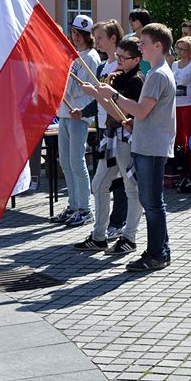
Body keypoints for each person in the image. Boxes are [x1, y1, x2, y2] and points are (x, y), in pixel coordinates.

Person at [95, 23, 176, 272]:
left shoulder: (157, 74)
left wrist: (114, 96)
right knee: (151, 201)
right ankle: (160, 249)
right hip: (149, 142)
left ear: (158, 46)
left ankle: (156, 254)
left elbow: (142, 110)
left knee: (151, 202)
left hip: (152, 147)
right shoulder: (157, 72)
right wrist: (134, 122)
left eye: (143, 43)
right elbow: (144, 114)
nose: (139, 46)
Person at [76, 37, 145, 255]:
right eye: (118, 56)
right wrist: (98, 94)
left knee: (131, 189)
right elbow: (110, 108)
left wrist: (99, 94)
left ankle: (129, 237)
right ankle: (99, 236)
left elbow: (125, 115)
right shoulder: (117, 76)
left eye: (124, 58)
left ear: (136, 59)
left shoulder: (137, 80)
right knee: (99, 185)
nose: (119, 61)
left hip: (126, 138)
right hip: (112, 137)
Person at [73, 19, 128, 241]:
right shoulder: (101, 66)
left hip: (118, 129)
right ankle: (103, 225)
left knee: (119, 180)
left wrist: (96, 94)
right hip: (103, 128)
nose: (97, 42)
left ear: (113, 38)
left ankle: (118, 222)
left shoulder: (122, 67)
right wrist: (84, 111)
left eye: (100, 38)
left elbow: (116, 99)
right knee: (104, 181)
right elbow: (98, 102)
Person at [51, 15, 100, 227]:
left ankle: (84, 208)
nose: (76, 38)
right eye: (73, 33)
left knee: (76, 161)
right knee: (65, 162)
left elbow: (83, 87)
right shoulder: (73, 55)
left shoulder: (90, 57)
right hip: (64, 112)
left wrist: (64, 82)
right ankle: (73, 205)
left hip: (78, 114)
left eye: (79, 34)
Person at [173, 36, 191, 170]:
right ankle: (181, 164)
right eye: (177, 48)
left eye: (182, 49)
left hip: (189, 104)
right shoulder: (174, 64)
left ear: (190, 51)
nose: (179, 51)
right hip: (175, 104)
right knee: (178, 136)